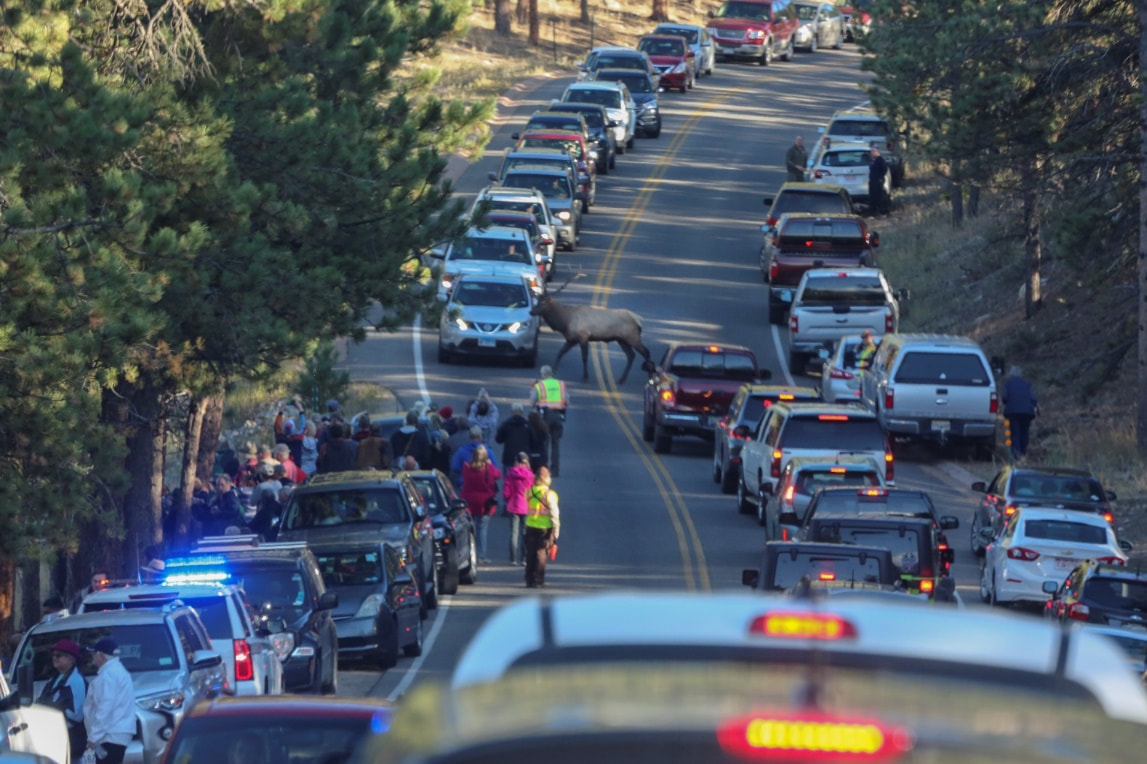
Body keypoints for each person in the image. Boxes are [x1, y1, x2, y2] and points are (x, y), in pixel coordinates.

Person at [83, 638, 135, 764]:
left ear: (101, 655)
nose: (92, 658)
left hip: (109, 735)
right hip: (117, 734)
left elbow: (105, 707)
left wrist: (93, 736)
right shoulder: (120, 672)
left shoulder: (108, 676)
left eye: (93, 654)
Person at [38, 639, 87, 759]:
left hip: (71, 743)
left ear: (71, 659)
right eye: (53, 655)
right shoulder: (55, 678)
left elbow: (77, 715)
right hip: (53, 741)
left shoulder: (77, 682)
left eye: (59, 655)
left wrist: (54, 708)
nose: (55, 658)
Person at [459, 445, 501, 563]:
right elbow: (498, 475)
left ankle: (469, 554)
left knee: (468, 529)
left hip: (469, 501)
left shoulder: (467, 467)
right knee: (482, 529)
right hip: (485, 503)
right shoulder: (488, 468)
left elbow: (463, 476)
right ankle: (481, 555)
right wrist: (490, 464)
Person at [529, 365, 569, 477]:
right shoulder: (561, 384)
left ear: (543, 375)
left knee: (544, 443)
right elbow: (567, 401)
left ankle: (544, 469)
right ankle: (555, 470)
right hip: (558, 416)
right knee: (556, 444)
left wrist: (532, 389)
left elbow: (532, 402)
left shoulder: (539, 385)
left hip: (545, 417)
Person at [524, 466, 560, 588]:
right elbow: (554, 513)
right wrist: (556, 528)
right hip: (545, 529)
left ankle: (529, 578)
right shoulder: (550, 495)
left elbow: (527, 503)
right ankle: (538, 580)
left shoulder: (529, 492)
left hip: (530, 526)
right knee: (541, 554)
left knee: (530, 553)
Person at [503, 452, 534, 566]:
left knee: (513, 533)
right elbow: (532, 492)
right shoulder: (530, 475)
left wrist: (508, 500)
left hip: (513, 506)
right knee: (525, 533)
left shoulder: (511, 474)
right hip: (526, 506)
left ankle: (513, 558)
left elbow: (506, 492)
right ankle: (524, 558)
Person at [1003, 365, 1039, 460]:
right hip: (1027, 412)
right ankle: (1023, 452)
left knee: (1015, 433)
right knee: (1024, 432)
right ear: (1021, 374)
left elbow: (1004, 398)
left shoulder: (1008, 384)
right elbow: (1033, 398)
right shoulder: (1027, 384)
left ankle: (1016, 454)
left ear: (1011, 374)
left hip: (1013, 413)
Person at [495, 402, 531, 468]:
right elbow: (533, 440)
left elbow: (498, 439)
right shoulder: (527, 425)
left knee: (508, 477)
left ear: (512, 411)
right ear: (522, 411)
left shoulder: (506, 424)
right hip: (523, 458)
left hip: (509, 458)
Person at [868, 145, 889, 215]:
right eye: (872, 152)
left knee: (880, 196)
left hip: (878, 181)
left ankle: (883, 211)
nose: (872, 153)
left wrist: (880, 177)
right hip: (872, 181)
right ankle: (873, 211)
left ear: (877, 152)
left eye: (874, 151)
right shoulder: (873, 160)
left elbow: (884, 169)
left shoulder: (880, 160)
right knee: (873, 196)